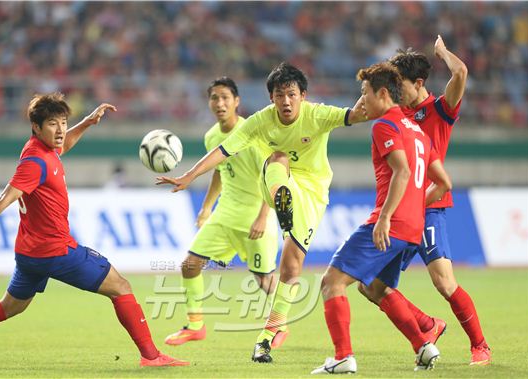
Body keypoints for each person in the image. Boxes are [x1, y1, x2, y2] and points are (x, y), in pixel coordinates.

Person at [0, 93, 188, 368]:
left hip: (30, 253)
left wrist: (88, 122)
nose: (60, 130)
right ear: (36, 127)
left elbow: (64, 144)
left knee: (9, 307)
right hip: (55, 250)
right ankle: (151, 356)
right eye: (53, 124)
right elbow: (4, 198)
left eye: (64, 122)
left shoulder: (42, 148)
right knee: (121, 286)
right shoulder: (34, 162)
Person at [156, 62, 367, 362]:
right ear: (271, 98)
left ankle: (270, 332)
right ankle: (198, 324)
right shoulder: (257, 123)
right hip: (269, 189)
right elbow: (223, 156)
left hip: (311, 193)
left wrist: (377, 95)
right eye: (279, 95)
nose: (286, 101)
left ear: (302, 96)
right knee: (277, 158)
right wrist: (190, 176)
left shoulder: (317, 114)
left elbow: (356, 115)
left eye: (291, 94)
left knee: (290, 269)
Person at [358, 35, 491, 366]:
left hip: (430, 208)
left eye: (401, 84)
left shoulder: (440, 109)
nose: (397, 91)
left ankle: (480, 346)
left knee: (444, 282)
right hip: (400, 211)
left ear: (418, 82)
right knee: (368, 283)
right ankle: (428, 325)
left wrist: (444, 52)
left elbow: (459, 74)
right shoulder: (398, 114)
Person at [311, 62, 452, 374]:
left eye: (364, 94)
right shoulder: (417, 130)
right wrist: (414, 209)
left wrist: (386, 217)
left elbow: (402, 171)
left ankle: (343, 356)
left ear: (384, 93)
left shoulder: (385, 125)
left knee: (331, 282)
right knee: (374, 286)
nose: (361, 102)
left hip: (391, 222)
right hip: (413, 228)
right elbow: (443, 183)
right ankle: (423, 346)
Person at [164, 77, 279, 346]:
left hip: (255, 216)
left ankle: (278, 325)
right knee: (190, 265)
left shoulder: (252, 133)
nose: (220, 103)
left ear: (237, 101)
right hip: (225, 214)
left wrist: (264, 215)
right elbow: (219, 170)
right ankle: (195, 326)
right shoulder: (212, 136)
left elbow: (272, 174)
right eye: (214, 98)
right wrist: (206, 208)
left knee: (264, 280)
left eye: (225, 97)